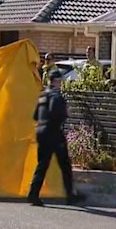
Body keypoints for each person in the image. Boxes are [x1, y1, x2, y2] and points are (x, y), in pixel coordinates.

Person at [28, 69, 86, 207]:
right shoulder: (56, 96)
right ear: (56, 81)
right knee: (65, 165)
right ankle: (70, 195)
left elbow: (36, 116)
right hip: (53, 133)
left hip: (40, 131)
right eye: (60, 81)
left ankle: (33, 194)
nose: (61, 83)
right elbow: (55, 112)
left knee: (42, 164)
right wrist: (65, 113)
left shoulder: (42, 96)